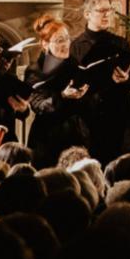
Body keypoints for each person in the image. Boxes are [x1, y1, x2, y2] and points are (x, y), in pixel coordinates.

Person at [70, 0, 130, 157]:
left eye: (109, 10)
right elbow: (73, 81)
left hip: (118, 114)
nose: (107, 15)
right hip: (89, 117)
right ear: (87, 14)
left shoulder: (120, 43)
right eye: (101, 11)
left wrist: (126, 78)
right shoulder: (76, 47)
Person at [25, 13, 92, 165]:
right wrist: (62, 96)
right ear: (45, 44)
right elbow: (39, 105)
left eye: (67, 38)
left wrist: (84, 94)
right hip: (48, 139)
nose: (66, 44)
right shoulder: (35, 71)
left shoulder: (76, 65)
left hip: (76, 138)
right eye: (59, 40)